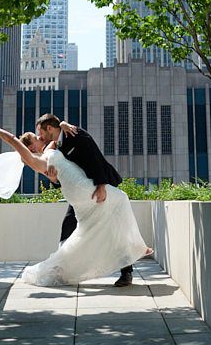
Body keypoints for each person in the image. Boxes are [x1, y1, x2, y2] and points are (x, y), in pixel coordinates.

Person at [0, 120, 152, 288]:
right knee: (119, 200)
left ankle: (130, 256)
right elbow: (12, 139)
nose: (40, 136)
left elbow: (54, 132)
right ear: (31, 147)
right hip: (83, 191)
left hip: (79, 190)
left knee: (97, 224)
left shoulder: (49, 149)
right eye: (36, 137)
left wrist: (63, 123)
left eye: (40, 133)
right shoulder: (34, 159)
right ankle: (136, 248)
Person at [37, 113, 137, 287]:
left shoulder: (75, 133)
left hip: (101, 188)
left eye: (41, 132)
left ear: (50, 128)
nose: (40, 137)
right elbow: (66, 173)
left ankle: (126, 272)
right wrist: (54, 181)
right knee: (68, 225)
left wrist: (101, 185)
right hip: (82, 195)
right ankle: (60, 268)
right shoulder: (56, 145)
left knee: (114, 230)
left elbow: (94, 157)